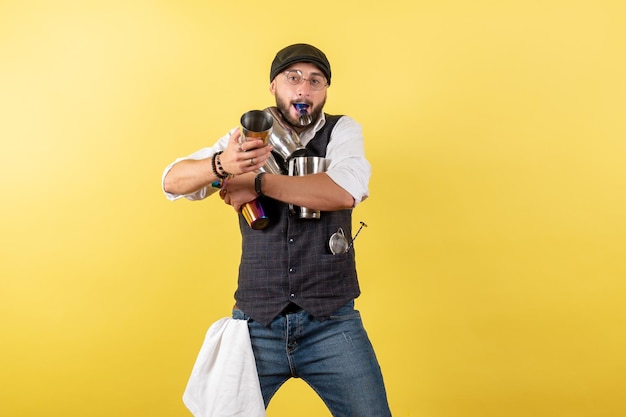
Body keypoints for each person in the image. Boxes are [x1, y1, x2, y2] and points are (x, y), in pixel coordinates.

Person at [162, 43, 392, 416]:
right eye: (293, 78)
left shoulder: (342, 130)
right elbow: (172, 182)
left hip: (331, 322)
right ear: (274, 86)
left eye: (315, 81)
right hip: (256, 324)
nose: (303, 89)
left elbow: (346, 191)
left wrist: (257, 183)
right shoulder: (243, 139)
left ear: (325, 90)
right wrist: (221, 165)